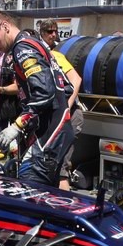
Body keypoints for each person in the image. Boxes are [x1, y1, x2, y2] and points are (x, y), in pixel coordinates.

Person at [0, 12, 72, 187]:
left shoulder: (23, 48)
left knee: (28, 199)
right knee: (47, 198)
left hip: (47, 139)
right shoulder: (35, 43)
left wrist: (18, 125)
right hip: (53, 133)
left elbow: (44, 92)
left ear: (5, 27)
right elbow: (65, 87)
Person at [37, 20, 83, 189]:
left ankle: (64, 209)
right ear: (41, 33)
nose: (53, 35)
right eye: (49, 31)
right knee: (51, 165)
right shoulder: (41, 57)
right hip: (57, 118)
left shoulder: (56, 57)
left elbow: (76, 80)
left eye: (55, 31)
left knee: (61, 166)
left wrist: (67, 108)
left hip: (70, 116)